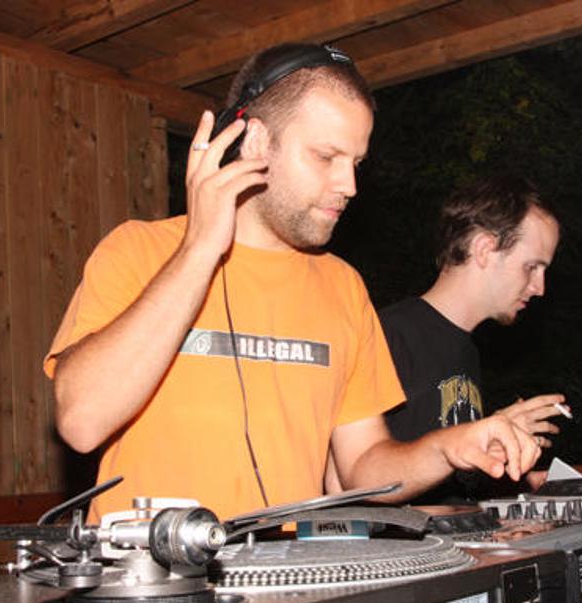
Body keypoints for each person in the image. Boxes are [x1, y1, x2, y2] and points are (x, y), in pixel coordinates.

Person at [44, 43, 542, 522]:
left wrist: (451, 447)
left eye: (356, 163)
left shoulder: (343, 287)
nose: (349, 185)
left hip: (287, 572)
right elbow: (82, 421)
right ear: (257, 141)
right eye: (326, 157)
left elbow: (361, 468)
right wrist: (199, 250)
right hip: (146, 575)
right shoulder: (138, 250)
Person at [378, 175, 566, 503]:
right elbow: (360, 481)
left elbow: (449, 483)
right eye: (532, 267)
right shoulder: (388, 336)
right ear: (483, 249)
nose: (540, 288)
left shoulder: (466, 350)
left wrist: (509, 477)